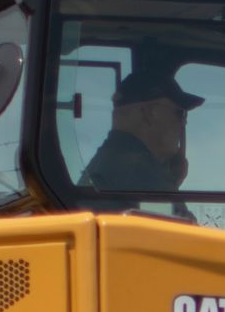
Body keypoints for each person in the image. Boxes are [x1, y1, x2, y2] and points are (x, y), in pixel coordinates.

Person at [79, 65, 204, 211]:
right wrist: (167, 186)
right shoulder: (137, 169)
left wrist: (170, 181)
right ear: (151, 113)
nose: (184, 123)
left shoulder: (112, 162)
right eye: (180, 114)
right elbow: (185, 228)